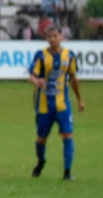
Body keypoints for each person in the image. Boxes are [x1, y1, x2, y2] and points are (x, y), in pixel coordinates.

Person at [28, 25, 84, 180]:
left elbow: (73, 78)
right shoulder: (40, 55)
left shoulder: (69, 56)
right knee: (41, 139)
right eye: (49, 36)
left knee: (67, 135)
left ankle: (67, 172)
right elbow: (31, 75)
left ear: (61, 36)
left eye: (55, 36)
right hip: (44, 106)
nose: (52, 39)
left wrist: (80, 100)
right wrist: (36, 81)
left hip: (62, 105)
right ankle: (41, 162)